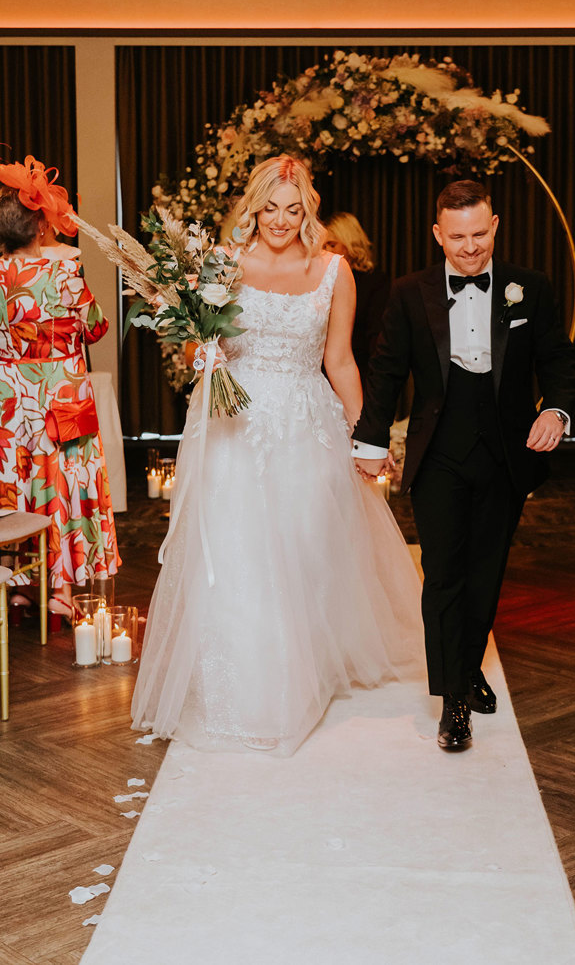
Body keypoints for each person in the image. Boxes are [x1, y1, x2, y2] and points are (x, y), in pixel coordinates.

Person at [132, 155, 421, 756]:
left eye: (293, 210)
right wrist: (201, 355)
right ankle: (248, 692)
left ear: (308, 209)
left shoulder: (335, 271)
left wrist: (366, 436)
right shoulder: (224, 266)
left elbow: (340, 361)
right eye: (271, 209)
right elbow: (196, 350)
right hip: (234, 427)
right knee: (240, 555)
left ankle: (305, 671)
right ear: (254, 208)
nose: (282, 221)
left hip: (306, 425)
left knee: (306, 550)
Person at [353, 179, 575, 751]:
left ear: (495, 226)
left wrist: (555, 409)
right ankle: (453, 698)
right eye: (458, 237)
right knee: (445, 574)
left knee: (486, 570)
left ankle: (468, 662)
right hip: (439, 453)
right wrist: (370, 441)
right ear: (437, 234)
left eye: (479, 234)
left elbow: (558, 360)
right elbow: (385, 372)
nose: (470, 247)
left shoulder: (533, 288)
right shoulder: (409, 293)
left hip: (507, 451)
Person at [0, 155, 120, 618]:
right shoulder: (64, 272)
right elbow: (96, 328)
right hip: (62, 396)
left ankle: (19, 584)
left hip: (11, 400)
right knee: (63, 484)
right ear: (41, 228)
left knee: (21, 483)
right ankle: (60, 590)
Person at [323, 213, 390, 383]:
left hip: (360, 372)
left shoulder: (374, 281)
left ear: (351, 245)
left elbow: (377, 338)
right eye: (323, 246)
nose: (326, 252)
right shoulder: (314, 280)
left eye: (332, 245)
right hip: (319, 373)